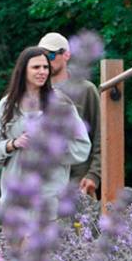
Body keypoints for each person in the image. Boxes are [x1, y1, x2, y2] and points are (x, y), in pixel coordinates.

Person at [0, 46, 91, 220]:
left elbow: (83, 147)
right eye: (36, 67)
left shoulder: (61, 104)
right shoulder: (6, 105)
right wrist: (12, 144)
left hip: (50, 206)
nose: (42, 72)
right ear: (22, 70)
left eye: (45, 67)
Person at [38, 32, 102, 198]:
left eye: (50, 55)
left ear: (66, 55)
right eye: (41, 55)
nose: (45, 60)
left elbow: (101, 136)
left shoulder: (86, 89)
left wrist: (94, 175)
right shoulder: (32, 91)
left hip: (78, 185)